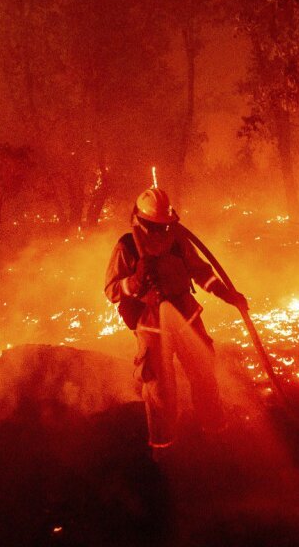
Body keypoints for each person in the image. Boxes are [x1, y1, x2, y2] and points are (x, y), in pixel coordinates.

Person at [104, 187, 248, 460]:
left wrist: (226, 294)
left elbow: (201, 272)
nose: (160, 233)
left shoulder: (178, 240)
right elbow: (111, 290)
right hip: (151, 325)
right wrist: (132, 283)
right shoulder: (127, 247)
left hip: (186, 318)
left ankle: (215, 433)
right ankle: (164, 448)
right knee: (158, 387)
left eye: (164, 226)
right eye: (154, 227)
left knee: (204, 372)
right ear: (142, 222)